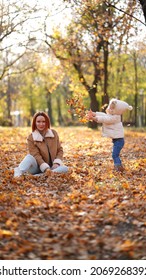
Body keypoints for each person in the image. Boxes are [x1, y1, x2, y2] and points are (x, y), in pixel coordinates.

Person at [14, 111, 68, 177]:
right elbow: (35, 155)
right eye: (38, 122)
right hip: (37, 167)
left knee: (65, 169)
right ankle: (18, 173)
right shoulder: (31, 137)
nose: (41, 124)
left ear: (47, 122)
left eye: (43, 121)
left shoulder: (54, 134)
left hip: (53, 167)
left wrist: (56, 163)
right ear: (35, 123)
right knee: (29, 157)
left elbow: (60, 150)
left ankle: (40, 176)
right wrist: (45, 167)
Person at [87, 98, 133, 172]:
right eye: (110, 108)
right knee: (115, 154)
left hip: (119, 141)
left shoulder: (116, 117)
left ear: (118, 111)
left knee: (114, 155)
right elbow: (104, 115)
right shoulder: (111, 115)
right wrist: (94, 113)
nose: (110, 110)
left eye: (113, 109)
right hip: (116, 140)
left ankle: (118, 168)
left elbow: (105, 119)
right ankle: (119, 166)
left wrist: (94, 118)